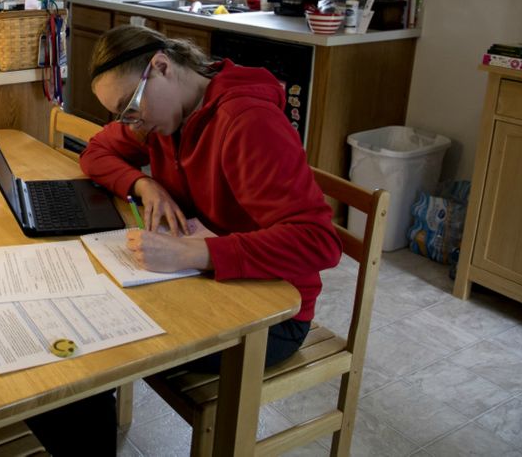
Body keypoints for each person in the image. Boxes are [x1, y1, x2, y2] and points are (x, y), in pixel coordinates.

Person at [81, 25, 342, 371]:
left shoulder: (248, 122)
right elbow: (95, 153)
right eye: (122, 115)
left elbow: (318, 241)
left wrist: (193, 252)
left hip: (273, 314)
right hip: (208, 283)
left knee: (103, 346)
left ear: (162, 67)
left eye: (131, 106)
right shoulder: (164, 119)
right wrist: (145, 186)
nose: (133, 124)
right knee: (96, 318)